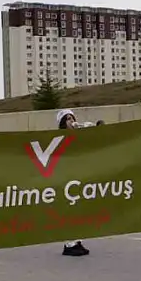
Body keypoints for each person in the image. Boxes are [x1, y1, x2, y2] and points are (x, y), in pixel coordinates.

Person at [56, 109, 90, 257]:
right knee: (68, 211)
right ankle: (69, 244)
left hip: (77, 177)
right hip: (65, 178)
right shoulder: (59, 138)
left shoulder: (78, 135)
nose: (71, 121)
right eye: (68, 119)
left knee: (79, 211)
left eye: (72, 118)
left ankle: (77, 240)